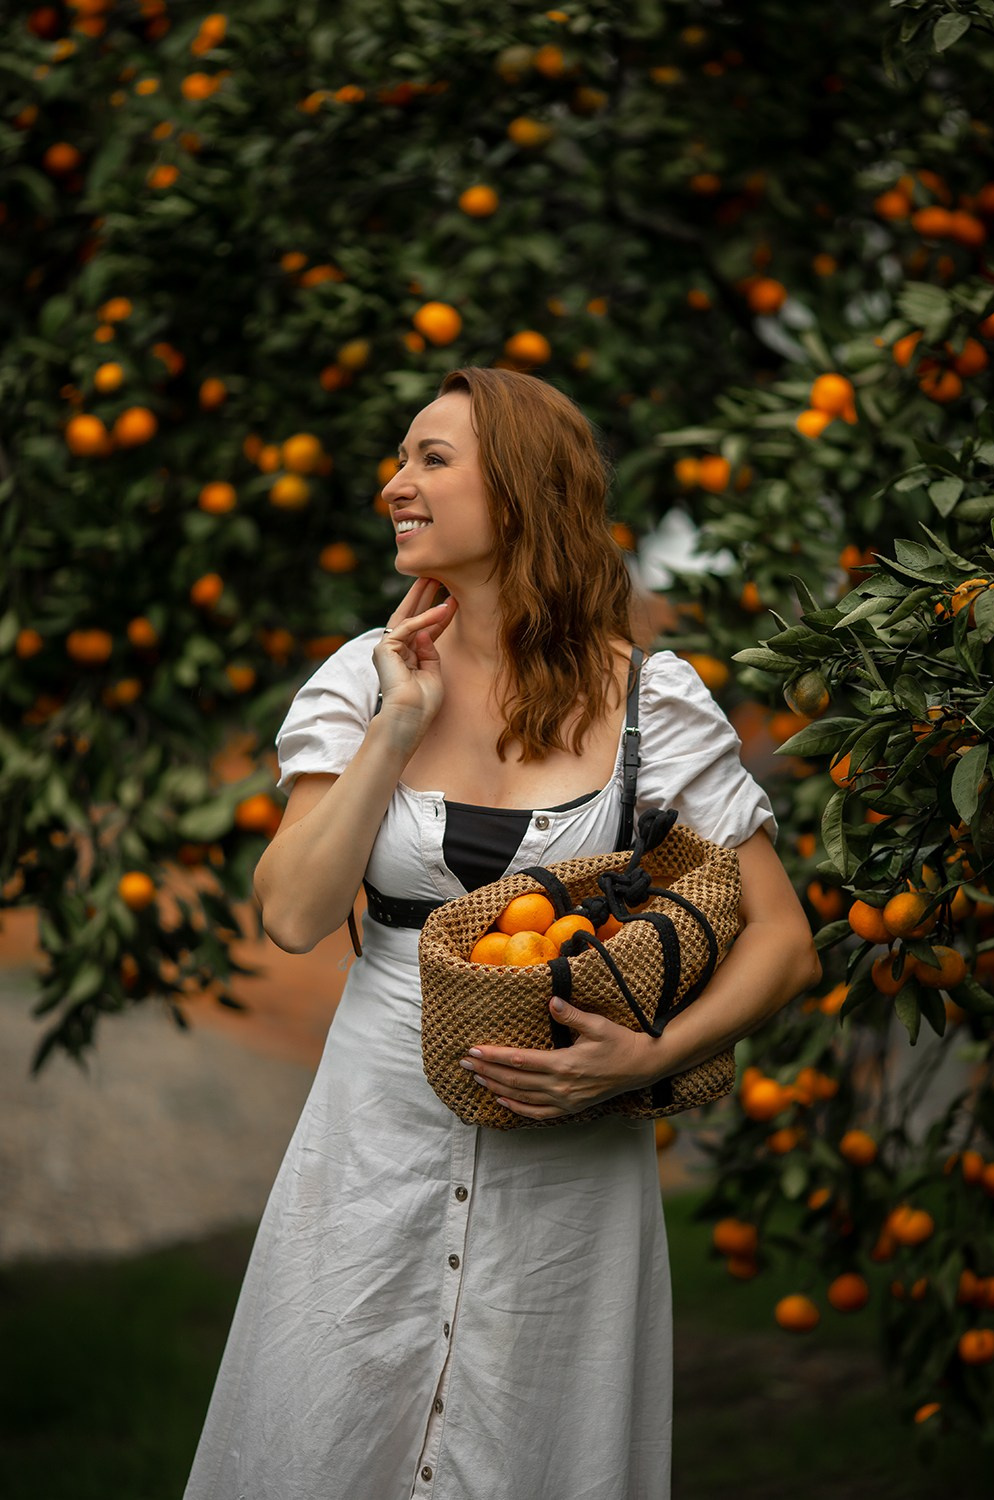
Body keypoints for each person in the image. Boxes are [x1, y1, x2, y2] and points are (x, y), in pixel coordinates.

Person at [184, 367, 821, 1500]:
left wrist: (651, 1057)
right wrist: (398, 723)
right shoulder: (358, 682)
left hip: (573, 1168)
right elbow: (287, 916)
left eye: (431, 459)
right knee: (323, 1434)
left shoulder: (651, 704)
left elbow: (782, 940)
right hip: (371, 1144)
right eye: (399, 460)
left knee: (536, 1449)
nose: (395, 485)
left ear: (521, 491)